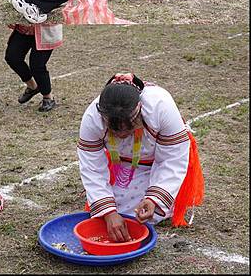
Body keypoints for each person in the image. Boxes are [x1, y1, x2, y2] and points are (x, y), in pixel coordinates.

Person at [78, 73, 204, 242]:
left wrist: (153, 199)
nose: (122, 135)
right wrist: (108, 213)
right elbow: (92, 168)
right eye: (116, 131)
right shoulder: (92, 118)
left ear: (139, 112)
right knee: (118, 212)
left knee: (150, 213)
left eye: (127, 130)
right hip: (124, 162)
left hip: (163, 160)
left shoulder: (161, 106)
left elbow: (172, 160)